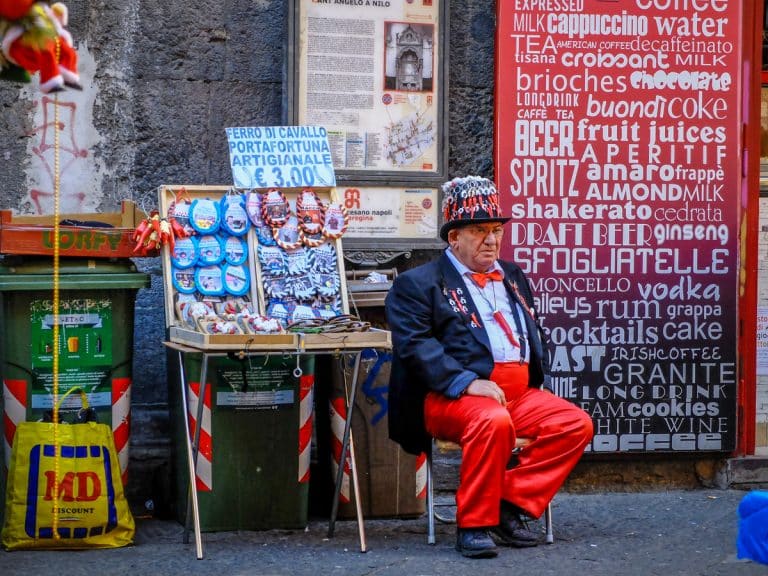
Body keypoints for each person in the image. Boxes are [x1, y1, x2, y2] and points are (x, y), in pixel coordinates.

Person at [385, 175, 594, 559]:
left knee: (575, 424)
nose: (492, 240)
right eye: (480, 230)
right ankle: (475, 523)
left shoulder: (512, 275)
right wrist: (466, 382)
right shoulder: (418, 284)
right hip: (450, 395)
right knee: (492, 420)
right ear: (454, 238)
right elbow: (415, 347)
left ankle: (506, 505)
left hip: (516, 393)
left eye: (496, 230)